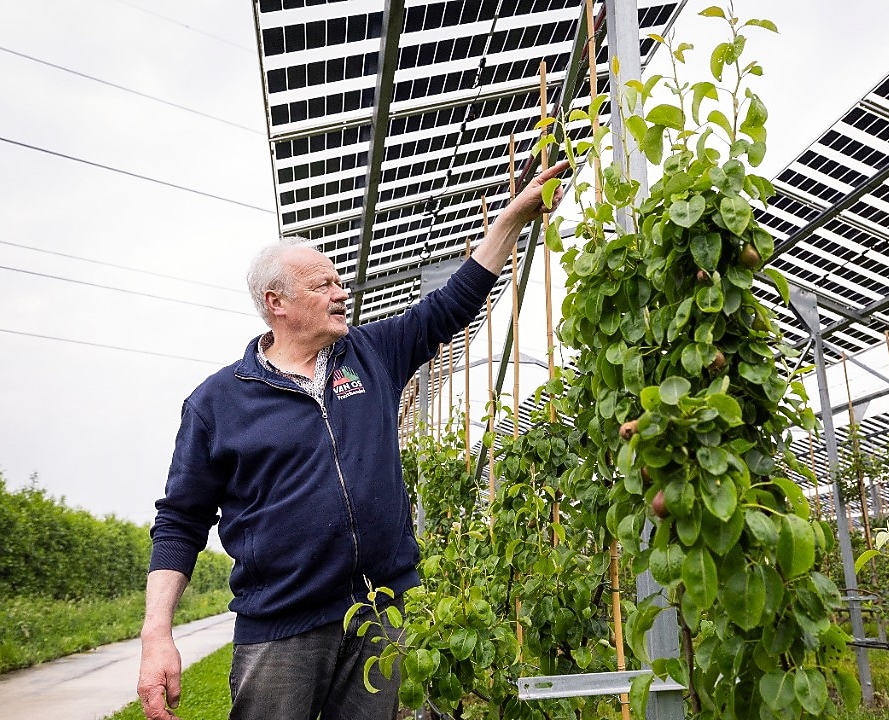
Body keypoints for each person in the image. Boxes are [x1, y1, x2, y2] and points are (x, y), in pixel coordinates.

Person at [136, 159, 570, 720]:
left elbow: (451, 304)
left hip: (381, 613)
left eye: (341, 280)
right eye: (324, 284)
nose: (342, 291)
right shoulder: (218, 403)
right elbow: (180, 521)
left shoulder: (372, 354)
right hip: (281, 626)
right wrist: (156, 635)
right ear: (277, 303)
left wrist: (510, 220)